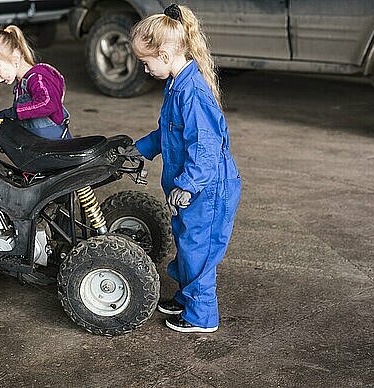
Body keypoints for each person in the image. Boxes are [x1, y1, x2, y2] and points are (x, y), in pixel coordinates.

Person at [120, 3, 241, 333]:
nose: (144, 70)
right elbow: (168, 133)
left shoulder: (192, 92)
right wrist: (140, 149)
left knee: (199, 251)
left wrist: (187, 184)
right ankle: (188, 297)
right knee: (188, 243)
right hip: (193, 187)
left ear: (163, 54)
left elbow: (204, 147)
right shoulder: (176, 86)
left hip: (207, 187)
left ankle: (202, 315)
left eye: (145, 63)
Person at [0, 25, 71, 140]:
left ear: (15, 57)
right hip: (38, 145)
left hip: (55, 146)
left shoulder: (38, 77)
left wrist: (15, 112)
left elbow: (48, 103)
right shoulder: (21, 85)